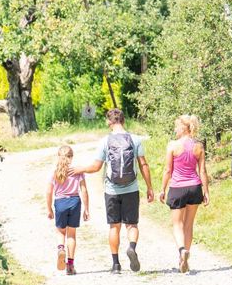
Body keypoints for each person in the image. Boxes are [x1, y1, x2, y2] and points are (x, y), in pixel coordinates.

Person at [72, 108, 154, 274]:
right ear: (123, 120)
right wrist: (150, 187)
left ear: (109, 122)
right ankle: (131, 247)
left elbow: (96, 167)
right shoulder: (135, 139)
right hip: (131, 189)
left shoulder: (105, 141)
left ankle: (116, 265)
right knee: (132, 224)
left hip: (112, 190)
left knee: (114, 227)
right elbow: (143, 164)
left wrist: (80, 169)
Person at [160, 114, 210, 273]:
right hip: (195, 188)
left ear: (183, 128)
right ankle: (185, 257)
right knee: (188, 225)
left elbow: (168, 170)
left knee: (177, 224)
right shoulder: (199, 146)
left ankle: (182, 251)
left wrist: (162, 189)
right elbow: (202, 171)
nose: (175, 129)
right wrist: (206, 191)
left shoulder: (173, 146)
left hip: (178, 188)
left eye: (176, 126)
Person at [46, 145, 90, 275]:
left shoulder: (54, 172)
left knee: (61, 232)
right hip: (75, 202)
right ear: (71, 157)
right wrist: (86, 209)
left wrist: (49, 209)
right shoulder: (77, 171)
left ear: (58, 157)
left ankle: (61, 249)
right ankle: (70, 265)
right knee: (71, 235)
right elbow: (84, 190)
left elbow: (49, 192)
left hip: (60, 203)